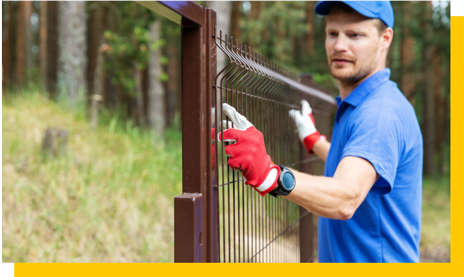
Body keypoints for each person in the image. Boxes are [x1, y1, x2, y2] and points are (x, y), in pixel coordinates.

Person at [218, 0, 423, 263]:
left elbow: (347, 197)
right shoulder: (361, 104)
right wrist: (314, 141)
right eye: (332, 33)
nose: (339, 45)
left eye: (355, 35)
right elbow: (357, 163)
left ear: (385, 39)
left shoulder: (379, 114)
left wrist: (271, 175)